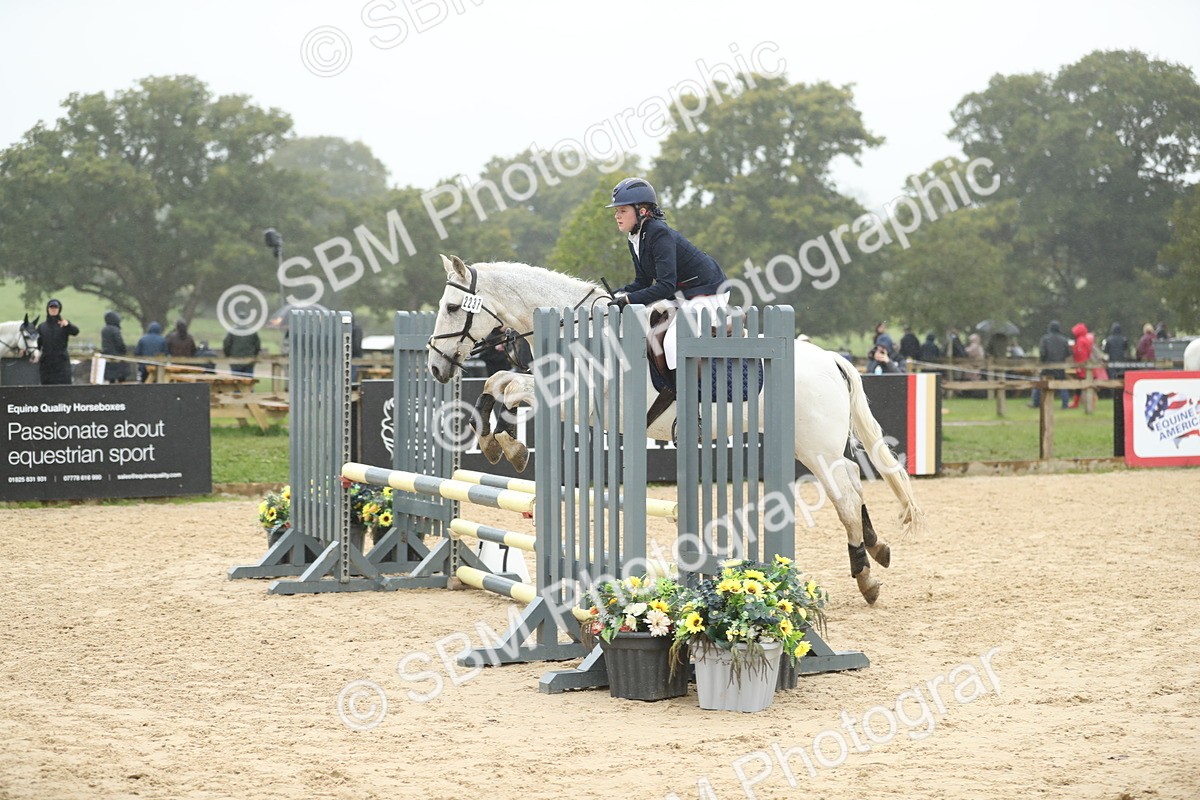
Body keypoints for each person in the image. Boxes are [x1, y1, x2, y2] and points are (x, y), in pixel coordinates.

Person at [605, 177, 728, 418]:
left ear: (642, 211)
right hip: (681, 293)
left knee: (672, 341)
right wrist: (618, 295)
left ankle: (690, 408)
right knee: (651, 331)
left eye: (622, 210)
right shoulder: (635, 237)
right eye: (616, 211)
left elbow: (664, 285)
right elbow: (642, 282)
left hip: (707, 290)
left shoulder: (658, 234)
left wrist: (629, 301)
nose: (617, 216)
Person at [36, 298, 79, 385]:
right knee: (47, 390)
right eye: (51, 307)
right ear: (47, 309)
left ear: (59, 309)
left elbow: (75, 332)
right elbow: (37, 345)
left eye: (55, 308)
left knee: (64, 390)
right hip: (46, 365)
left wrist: (68, 325)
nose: (53, 310)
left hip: (62, 364)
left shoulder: (64, 324)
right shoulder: (41, 327)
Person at [1030, 320, 1071, 409]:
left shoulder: (1045, 339)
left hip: (1047, 366)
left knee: (1040, 383)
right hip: (1060, 367)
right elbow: (1068, 353)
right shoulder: (1064, 340)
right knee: (1062, 385)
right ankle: (1065, 404)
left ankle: (1036, 402)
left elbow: (1042, 353)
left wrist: (1043, 362)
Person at [1068, 322, 1095, 409]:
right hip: (1085, 366)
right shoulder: (1085, 340)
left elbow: (1081, 354)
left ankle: (1076, 402)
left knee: (1080, 385)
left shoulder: (1080, 341)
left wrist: (1079, 366)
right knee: (1086, 385)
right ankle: (1088, 402)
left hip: (1082, 367)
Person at [100, 310, 131, 383]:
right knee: (121, 377)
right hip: (117, 356)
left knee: (111, 378)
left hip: (108, 355)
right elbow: (119, 343)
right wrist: (124, 351)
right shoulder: (115, 330)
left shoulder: (104, 330)